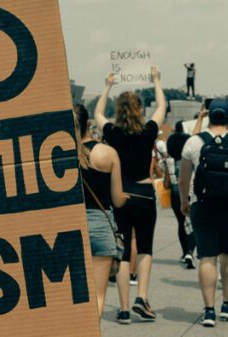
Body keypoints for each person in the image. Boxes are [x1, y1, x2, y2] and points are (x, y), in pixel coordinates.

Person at [93, 66, 167, 324]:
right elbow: (162, 108)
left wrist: (107, 85)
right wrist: (157, 81)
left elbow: (98, 113)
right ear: (139, 109)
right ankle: (142, 298)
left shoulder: (112, 134)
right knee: (145, 248)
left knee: (123, 252)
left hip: (121, 194)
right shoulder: (148, 132)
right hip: (145, 193)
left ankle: (123, 308)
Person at [178, 99, 228, 327]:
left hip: (202, 205)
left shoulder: (194, 142)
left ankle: (209, 310)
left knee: (207, 257)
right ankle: (227, 304)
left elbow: (184, 178)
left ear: (209, 115)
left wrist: (184, 201)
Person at [73, 104, 128, 319]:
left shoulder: (56, 153)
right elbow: (117, 199)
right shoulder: (107, 153)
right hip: (98, 223)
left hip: (68, 226)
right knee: (97, 295)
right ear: (89, 124)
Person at [164, 121, 194, 269]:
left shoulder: (169, 162)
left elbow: (166, 184)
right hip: (191, 193)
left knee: (181, 223)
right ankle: (191, 251)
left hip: (175, 195)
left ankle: (185, 252)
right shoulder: (190, 161)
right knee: (192, 223)